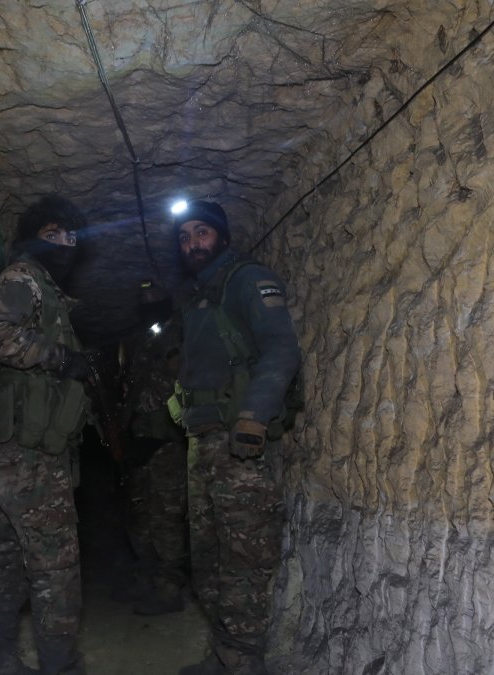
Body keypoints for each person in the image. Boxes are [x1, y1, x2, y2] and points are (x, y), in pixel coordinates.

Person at [171, 200, 301, 675]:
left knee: (245, 557)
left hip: (238, 439)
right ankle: (224, 653)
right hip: (202, 438)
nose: (192, 244)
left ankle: (245, 662)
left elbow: (281, 348)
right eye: (184, 238)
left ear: (222, 237)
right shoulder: (197, 295)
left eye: (201, 233)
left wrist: (253, 416)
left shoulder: (246, 280)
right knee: (208, 555)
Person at [0, 194, 92, 675]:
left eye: (71, 236)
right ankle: (59, 666)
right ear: (33, 238)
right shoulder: (25, 278)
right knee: (55, 566)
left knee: (8, 559)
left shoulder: (47, 290)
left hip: (20, 451)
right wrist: (61, 358)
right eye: (53, 234)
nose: (65, 243)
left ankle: (0, 658)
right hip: (29, 457)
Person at [113, 281, 189, 616]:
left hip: (167, 439)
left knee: (166, 516)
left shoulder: (179, 334)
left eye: (154, 296)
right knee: (139, 513)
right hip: (140, 437)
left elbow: (176, 379)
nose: (149, 302)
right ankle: (147, 576)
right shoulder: (140, 339)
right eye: (142, 297)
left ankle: (169, 587)